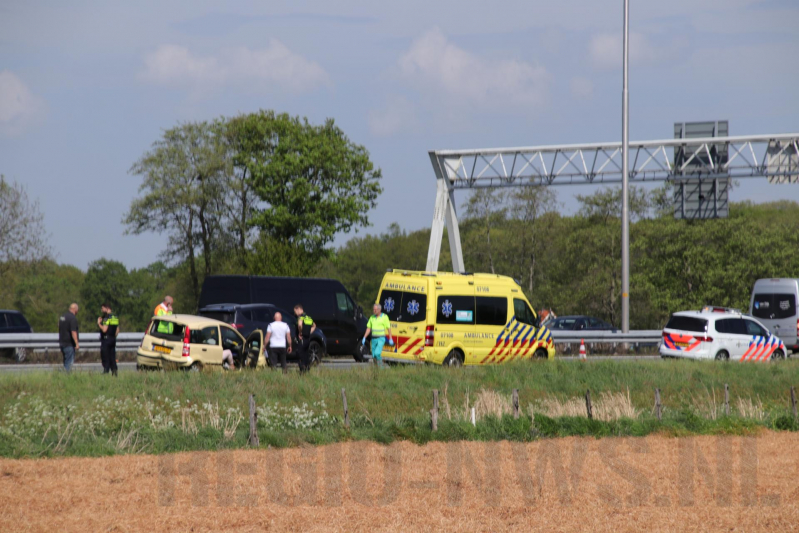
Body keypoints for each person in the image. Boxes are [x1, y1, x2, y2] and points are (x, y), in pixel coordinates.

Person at [362, 303, 393, 368]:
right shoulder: (372, 318)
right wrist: (364, 337)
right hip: (373, 339)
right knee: (374, 356)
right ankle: (377, 369)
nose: (374, 311)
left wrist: (390, 338)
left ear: (379, 310)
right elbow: (368, 328)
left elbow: (388, 328)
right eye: (373, 309)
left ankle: (381, 367)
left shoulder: (384, 317)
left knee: (377, 353)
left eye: (375, 309)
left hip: (381, 339)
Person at [97, 303, 120, 376]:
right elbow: (117, 330)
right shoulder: (115, 317)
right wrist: (113, 336)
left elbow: (104, 330)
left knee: (105, 356)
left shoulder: (107, 317)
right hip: (113, 339)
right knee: (112, 356)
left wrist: (99, 324)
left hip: (106, 340)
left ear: (107, 308)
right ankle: (114, 372)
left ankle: (106, 371)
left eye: (102, 308)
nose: (101, 310)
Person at [293, 304, 316, 373]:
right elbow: (314, 325)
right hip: (307, 339)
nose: (295, 314)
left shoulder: (301, 317)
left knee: (300, 353)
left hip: (302, 339)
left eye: (295, 312)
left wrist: (300, 333)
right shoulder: (308, 317)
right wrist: (309, 332)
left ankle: (302, 369)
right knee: (306, 354)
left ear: (299, 309)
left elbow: (299, 324)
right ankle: (307, 368)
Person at [58, 303, 80, 372]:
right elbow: (73, 332)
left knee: (65, 361)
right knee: (69, 364)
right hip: (69, 344)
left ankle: (63, 375)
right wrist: (76, 343)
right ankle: (65, 377)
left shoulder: (62, 316)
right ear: (75, 309)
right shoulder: (73, 318)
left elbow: (59, 325)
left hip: (62, 343)